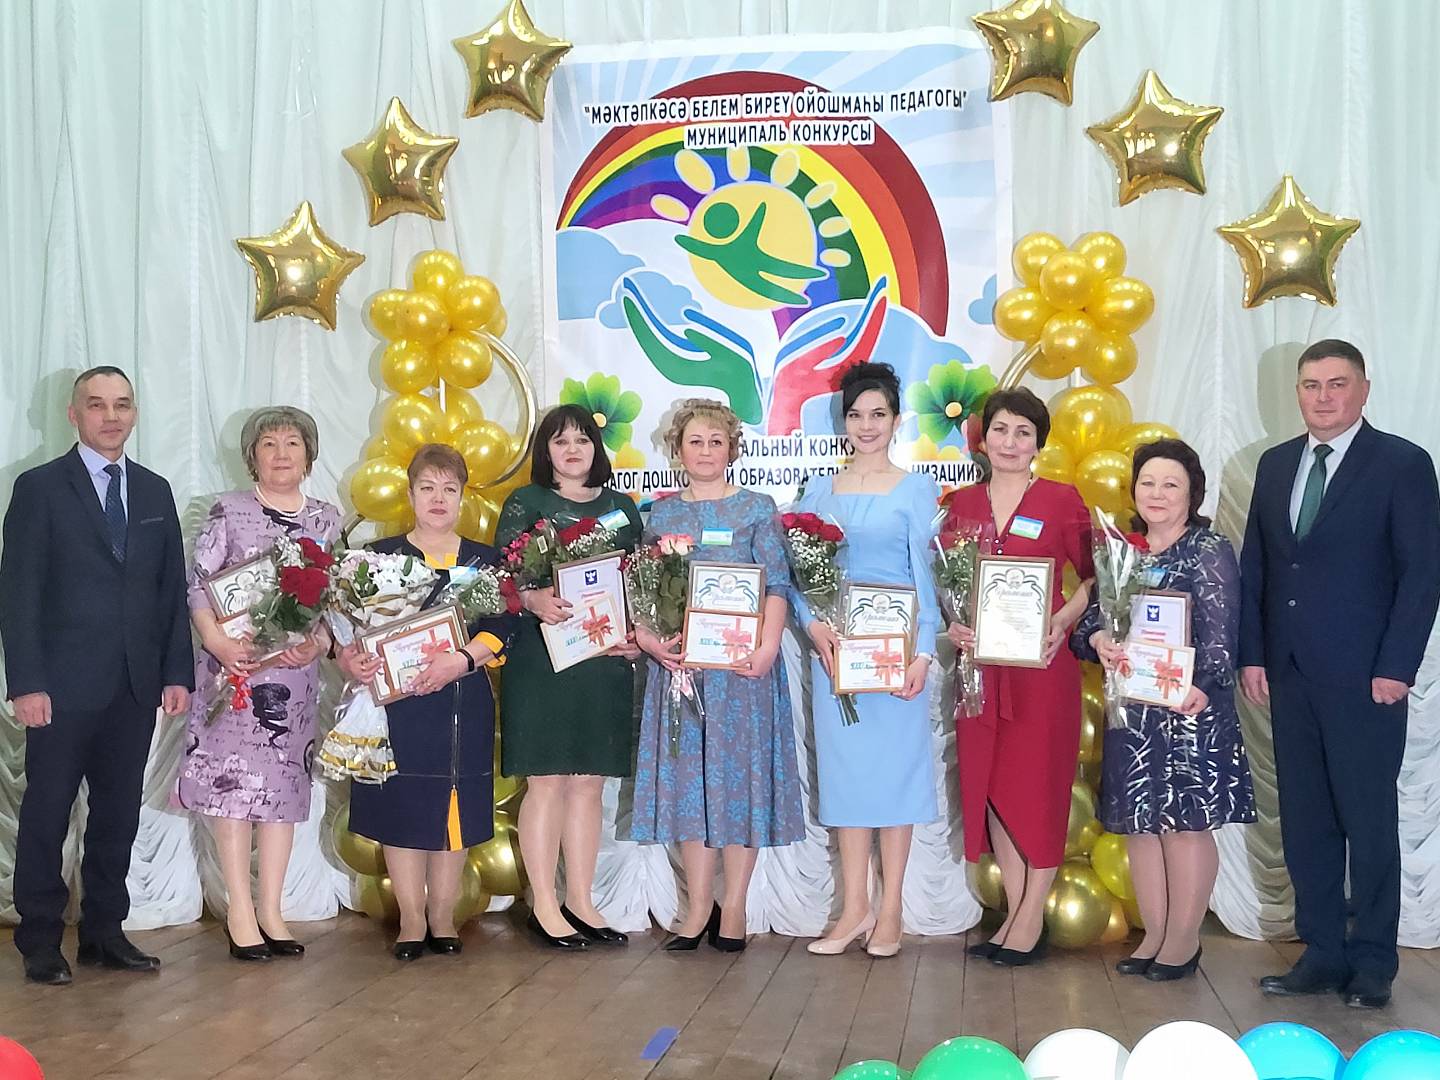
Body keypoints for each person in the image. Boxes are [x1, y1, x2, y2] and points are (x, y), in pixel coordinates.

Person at [1240, 339, 1440, 1009]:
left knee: (1368, 820)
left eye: (1336, 383)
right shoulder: (1275, 465)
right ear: (1297, 392)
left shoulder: (1402, 463)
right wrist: (1253, 654)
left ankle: (1374, 960)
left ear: (1363, 390)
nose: (1323, 396)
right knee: (1306, 823)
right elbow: (1259, 566)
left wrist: (1397, 665)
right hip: (1290, 674)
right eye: (1311, 384)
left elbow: (1422, 573)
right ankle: (1322, 952)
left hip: (1366, 680)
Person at [0, 366, 193, 985]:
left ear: (134, 413)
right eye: (97, 404)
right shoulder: (38, 487)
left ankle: (105, 932)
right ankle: (39, 939)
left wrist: (176, 671)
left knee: (117, 815)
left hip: (134, 685)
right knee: (47, 814)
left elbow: (169, 590)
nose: (111, 416)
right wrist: (25, 682)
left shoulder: (155, 490)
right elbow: (19, 593)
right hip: (58, 688)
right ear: (73, 414)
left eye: (122, 404)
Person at [1074, 438, 1256, 981]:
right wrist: (1100, 640)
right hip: (1133, 711)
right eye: (1147, 482)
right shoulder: (1120, 551)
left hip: (1189, 708)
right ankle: (1154, 934)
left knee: (1184, 825)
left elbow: (1223, 634)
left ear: (1192, 493)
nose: (1156, 493)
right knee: (1140, 825)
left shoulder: (1208, 549)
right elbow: (1088, 626)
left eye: (1170, 484)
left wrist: (1203, 685)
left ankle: (1183, 940)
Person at [632, 400, 804, 952]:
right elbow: (642, 593)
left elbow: (777, 584)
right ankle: (697, 908)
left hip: (741, 673)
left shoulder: (757, 508)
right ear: (677, 449)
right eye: (695, 441)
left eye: (716, 441)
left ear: (732, 449)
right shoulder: (660, 516)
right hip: (682, 672)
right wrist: (651, 642)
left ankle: (734, 908)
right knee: (689, 786)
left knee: (739, 784)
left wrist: (769, 645)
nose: (706, 451)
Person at [175, 407, 341, 961]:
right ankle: (240, 913)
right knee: (234, 793)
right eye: (269, 444)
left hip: (293, 682)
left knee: (281, 794)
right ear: (253, 456)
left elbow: (333, 603)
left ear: (308, 454)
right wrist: (217, 643)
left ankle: (271, 910)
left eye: (292, 442)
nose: (281, 453)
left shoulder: (326, 519)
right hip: (235, 675)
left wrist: (316, 644)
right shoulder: (230, 510)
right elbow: (198, 588)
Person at [339, 444, 517, 960]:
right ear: (410, 494)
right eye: (427, 488)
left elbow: (504, 625)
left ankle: (442, 916)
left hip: (463, 702)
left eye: (449, 489)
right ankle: (412, 921)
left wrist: (461, 660)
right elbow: (351, 629)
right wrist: (355, 659)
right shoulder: (379, 559)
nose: (438, 499)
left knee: (454, 808)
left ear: (462, 497)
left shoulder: (485, 561)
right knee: (402, 807)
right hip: (399, 705)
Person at [793, 362, 939, 959]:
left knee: (895, 778)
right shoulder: (819, 490)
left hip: (897, 652)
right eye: (856, 414)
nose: (867, 425)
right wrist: (812, 625)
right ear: (843, 422)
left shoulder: (915, 489)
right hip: (837, 655)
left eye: (878, 414)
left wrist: (924, 651)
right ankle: (854, 908)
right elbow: (801, 573)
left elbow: (926, 576)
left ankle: (891, 909)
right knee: (847, 779)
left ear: (897, 420)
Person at [943, 387, 1094, 966]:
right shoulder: (961, 504)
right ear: (984, 438)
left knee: (1040, 787)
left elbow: (1095, 576)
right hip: (981, 672)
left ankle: (1031, 918)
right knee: (994, 788)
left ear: (1038, 443)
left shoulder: (1061, 499)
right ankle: (1015, 912)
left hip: (1041, 670)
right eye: (1001, 429)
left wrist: (1062, 620)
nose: (1010, 442)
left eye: (1023, 432)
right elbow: (949, 582)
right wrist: (955, 622)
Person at [494, 405, 642, 949]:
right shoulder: (525, 502)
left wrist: (637, 634)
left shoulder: (622, 508)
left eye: (582, 440)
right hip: (542, 658)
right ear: (546, 451)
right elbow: (502, 578)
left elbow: (640, 581)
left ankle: (582, 899)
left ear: (596, 449)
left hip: (603, 656)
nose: (573, 450)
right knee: (547, 781)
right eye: (561, 442)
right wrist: (531, 598)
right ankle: (544, 904)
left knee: (589, 783)